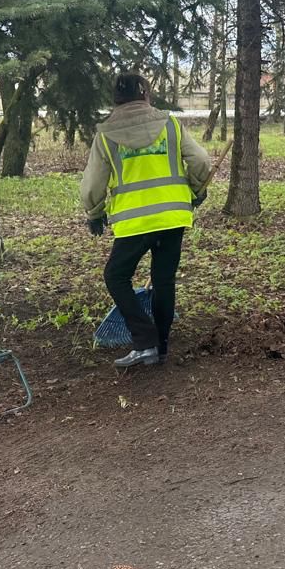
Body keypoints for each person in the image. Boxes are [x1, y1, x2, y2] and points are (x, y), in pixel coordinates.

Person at [81, 73, 213, 367]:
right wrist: (197, 189)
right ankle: (161, 347)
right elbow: (202, 161)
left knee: (116, 276)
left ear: (115, 99)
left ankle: (145, 341)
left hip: (134, 221)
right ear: (146, 95)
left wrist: (94, 212)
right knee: (164, 281)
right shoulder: (170, 124)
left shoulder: (106, 134)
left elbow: (92, 185)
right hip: (173, 216)